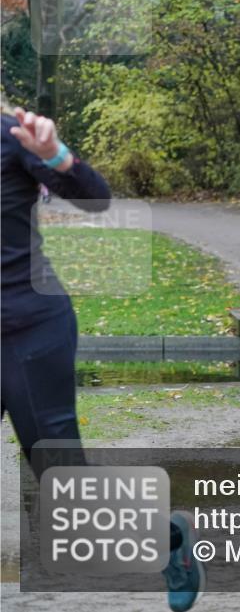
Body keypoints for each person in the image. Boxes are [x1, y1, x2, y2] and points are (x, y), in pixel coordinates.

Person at [1, 105, 204, 611]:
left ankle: (169, 543)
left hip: (30, 331)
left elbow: (96, 198)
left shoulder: (13, 136)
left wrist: (57, 155)